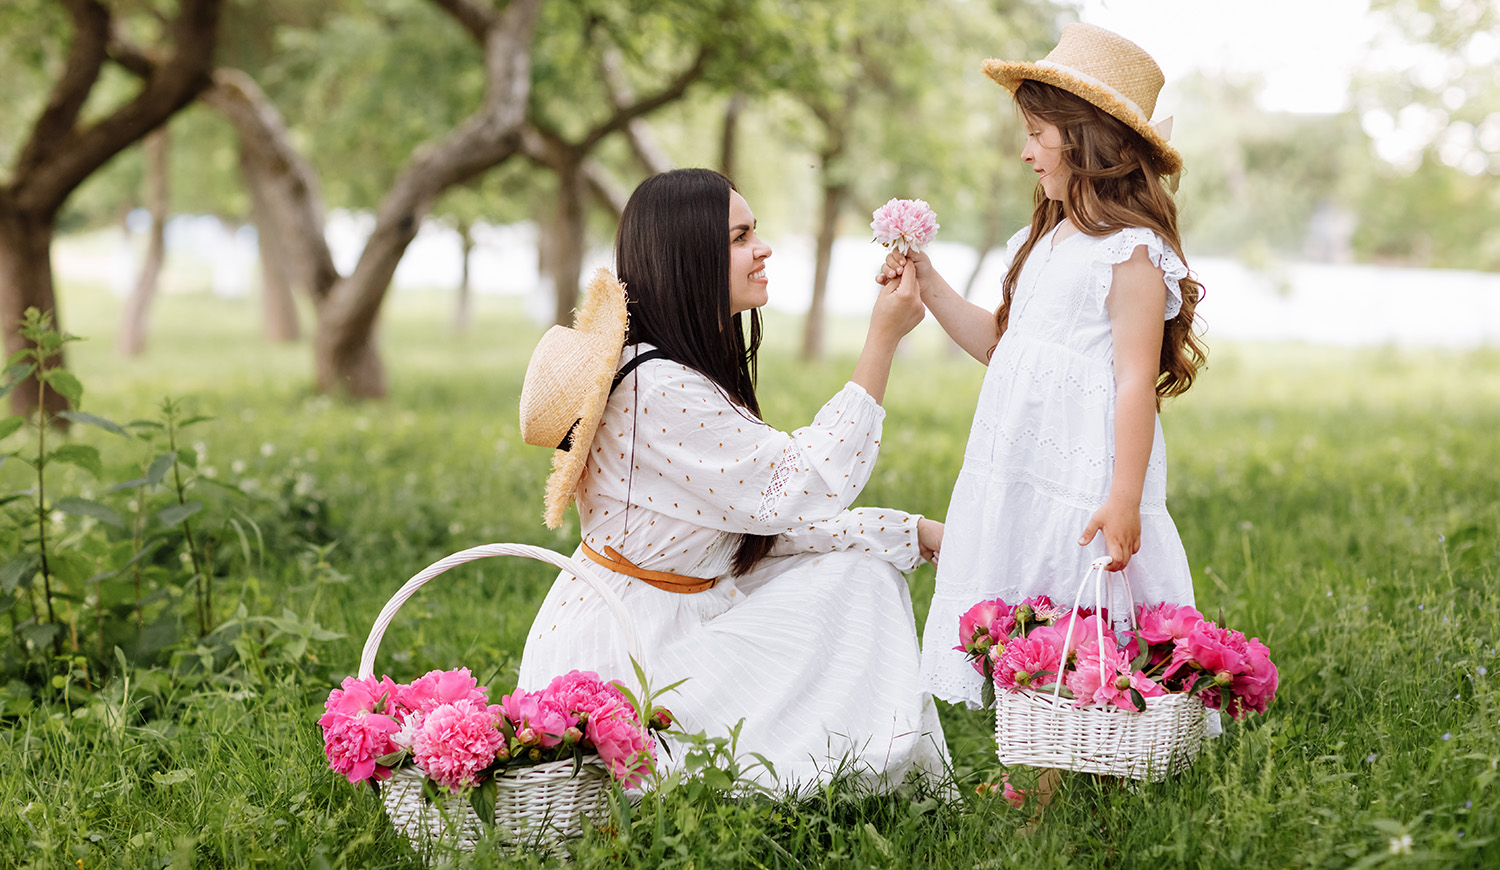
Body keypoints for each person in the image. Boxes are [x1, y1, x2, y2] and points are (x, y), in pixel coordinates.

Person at [517, 168, 949, 793]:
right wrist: (880, 341)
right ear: (691, 259)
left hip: (672, 612)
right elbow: (800, 485)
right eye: (741, 236)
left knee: (859, 571)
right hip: (631, 654)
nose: (763, 247)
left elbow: (760, 514)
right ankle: (849, 777)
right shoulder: (656, 388)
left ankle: (858, 772)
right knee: (859, 586)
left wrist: (910, 533)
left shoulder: (670, 372)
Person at [876, 23, 1210, 710]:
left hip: (1084, 472)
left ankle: (1071, 763)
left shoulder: (1131, 252)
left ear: (1085, 138)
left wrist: (1123, 494)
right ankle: (1040, 756)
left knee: (1071, 595)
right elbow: (1006, 346)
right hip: (1021, 465)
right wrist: (929, 281)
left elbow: (1131, 380)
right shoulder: (1048, 239)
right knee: (1031, 598)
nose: (1026, 151)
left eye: (1037, 133)